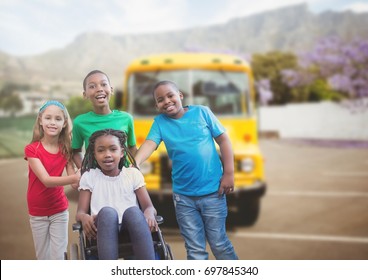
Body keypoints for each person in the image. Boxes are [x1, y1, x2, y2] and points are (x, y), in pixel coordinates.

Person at [134, 80, 238, 260]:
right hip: (184, 199)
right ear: (157, 105)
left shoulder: (202, 112)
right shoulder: (160, 123)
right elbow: (150, 144)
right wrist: (134, 163)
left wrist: (229, 173)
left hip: (213, 193)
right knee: (195, 249)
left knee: (219, 243)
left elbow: (224, 141)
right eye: (160, 99)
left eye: (170, 96)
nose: (166, 101)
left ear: (180, 96)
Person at [76, 129, 158, 260]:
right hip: (101, 229)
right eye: (101, 150)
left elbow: (149, 207)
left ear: (122, 153)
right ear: (94, 154)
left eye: (113, 149)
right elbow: (80, 212)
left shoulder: (132, 174)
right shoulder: (89, 177)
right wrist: (84, 217)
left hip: (131, 229)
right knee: (108, 213)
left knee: (133, 212)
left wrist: (148, 213)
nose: (107, 154)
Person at [24, 100, 80, 260]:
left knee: (59, 256)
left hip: (59, 210)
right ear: (40, 120)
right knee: (43, 257)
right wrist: (74, 177)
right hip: (37, 211)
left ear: (64, 124)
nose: (52, 122)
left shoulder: (65, 149)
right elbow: (46, 180)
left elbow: (74, 182)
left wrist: (80, 174)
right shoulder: (32, 149)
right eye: (48, 118)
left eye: (58, 119)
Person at [72, 70, 137, 169]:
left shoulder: (126, 118)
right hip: (94, 182)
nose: (99, 89)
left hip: (122, 178)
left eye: (103, 84)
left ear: (111, 90)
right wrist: (84, 170)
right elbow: (75, 151)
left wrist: (132, 168)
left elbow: (132, 147)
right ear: (85, 95)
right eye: (92, 86)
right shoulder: (79, 122)